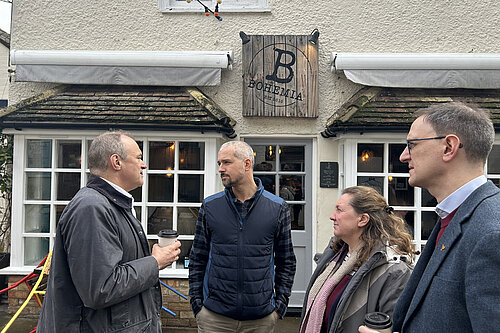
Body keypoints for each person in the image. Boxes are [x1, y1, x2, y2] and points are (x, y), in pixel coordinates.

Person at [359, 102, 500, 333]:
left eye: (411, 145)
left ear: (449, 147)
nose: (404, 156)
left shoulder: (491, 234)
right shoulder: (455, 215)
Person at [36, 131, 181, 332]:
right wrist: (154, 262)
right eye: (138, 158)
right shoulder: (91, 208)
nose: (144, 164)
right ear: (116, 162)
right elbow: (100, 288)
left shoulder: (110, 204)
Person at [188, 141, 296, 333]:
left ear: (247, 164)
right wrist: (198, 305)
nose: (220, 169)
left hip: (260, 319)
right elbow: (198, 258)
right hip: (214, 318)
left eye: (226, 162)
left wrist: (279, 306)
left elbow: (286, 261)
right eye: (219, 163)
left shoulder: (277, 208)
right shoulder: (210, 206)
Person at [300, 186, 414, 333]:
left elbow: (394, 326)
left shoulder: (394, 271)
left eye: (339, 210)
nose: (332, 216)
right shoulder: (335, 257)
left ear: (362, 219)